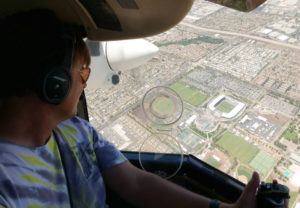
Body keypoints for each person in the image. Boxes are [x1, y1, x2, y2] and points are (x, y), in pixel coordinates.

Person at [0, 9, 286, 208]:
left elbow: (135, 182)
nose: (85, 85)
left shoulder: (75, 131)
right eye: (82, 74)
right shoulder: (6, 183)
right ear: (55, 84)